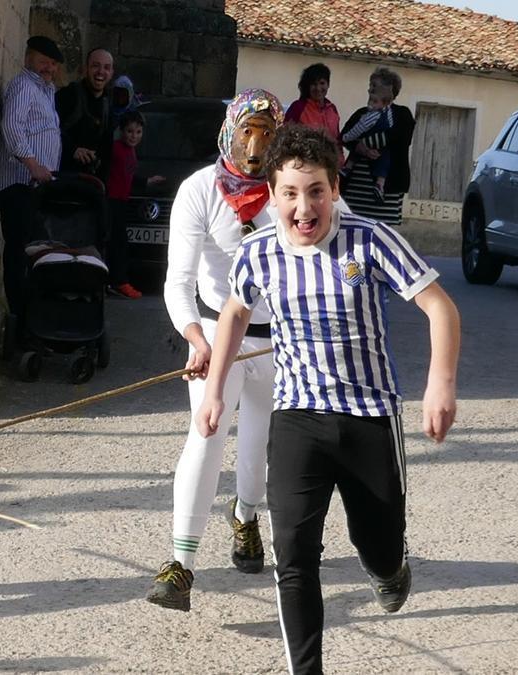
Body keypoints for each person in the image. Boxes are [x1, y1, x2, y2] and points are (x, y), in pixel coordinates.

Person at [198, 125, 460, 673]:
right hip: (297, 417)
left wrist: (441, 382)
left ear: (334, 189)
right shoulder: (258, 253)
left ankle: (389, 568)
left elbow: (440, 308)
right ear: (271, 196)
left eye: (315, 190)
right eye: (290, 193)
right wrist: (215, 391)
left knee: (379, 543)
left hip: (369, 417)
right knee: (293, 556)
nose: (303, 206)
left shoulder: (370, 240)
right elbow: (235, 314)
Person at [146, 89, 283, 612]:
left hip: (280, 341)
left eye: (267, 134)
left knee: (259, 443)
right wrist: (196, 338)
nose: (255, 146)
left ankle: (246, 517)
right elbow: (178, 281)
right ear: (229, 130)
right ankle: (180, 564)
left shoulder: (288, 189)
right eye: (248, 131)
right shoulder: (199, 190)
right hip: (217, 333)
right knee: (205, 434)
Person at [0, 35, 63, 335]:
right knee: (18, 251)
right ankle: (19, 319)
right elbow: (12, 125)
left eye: (53, 64)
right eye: (43, 61)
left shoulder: (45, 91)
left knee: (31, 251)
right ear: (29, 58)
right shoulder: (23, 86)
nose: (49, 68)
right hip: (19, 183)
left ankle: (31, 318)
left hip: (35, 186)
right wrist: (33, 165)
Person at [339, 67, 415, 226]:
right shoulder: (362, 113)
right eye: (370, 85)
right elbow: (345, 136)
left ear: (389, 90)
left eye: (375, 85)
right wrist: (360, 149)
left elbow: (399, 139)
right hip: (357, 189)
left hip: (388, 187)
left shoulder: (402, 114)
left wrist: (363, 144)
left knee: (383, 233)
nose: (370, 89)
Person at [104, 111, 165, 299]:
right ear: (121, 131)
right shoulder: (114, 149)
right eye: (130, 131)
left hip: (122, 202)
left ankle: (117, 281)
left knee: (120, 243)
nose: (134, 136)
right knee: (115, 243)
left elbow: (128, 176)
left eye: (138, 132)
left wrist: (146, 182)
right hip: (111, 202)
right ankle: (116, 282)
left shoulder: (130, 151)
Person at [56, 47, 115, 182]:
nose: (101, 72)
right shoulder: (68, 95)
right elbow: (48, 128)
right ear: (85, 69)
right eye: (95, 66)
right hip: (62, 178)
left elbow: (107, 152)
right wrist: (73, 150)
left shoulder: (107, 105)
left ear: (111, 73)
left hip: (90, 184)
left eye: (106, 68)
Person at [339, 85, 395, 202]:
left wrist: (347, 137)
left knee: (359, 144)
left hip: (372, 140)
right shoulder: (388, 112)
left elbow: (358, 129)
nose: (371, 103)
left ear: (384, 103)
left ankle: (348, 167)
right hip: (381, 144)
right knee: (384, 160)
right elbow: (390, 126)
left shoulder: (371, 116)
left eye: (375, 101)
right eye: (370, 99)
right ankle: (380, 184)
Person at [284, 63, 343, 161]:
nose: (318, 88)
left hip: (330, 166)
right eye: (314, 84)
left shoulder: (332, 109)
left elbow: (337, 141)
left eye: (322, 83)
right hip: (305, 164)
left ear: (328, 84)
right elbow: (285, 138)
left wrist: (340, 163)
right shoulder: (298, 107)